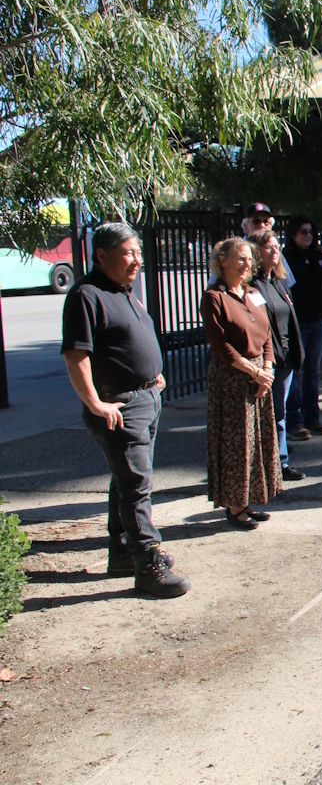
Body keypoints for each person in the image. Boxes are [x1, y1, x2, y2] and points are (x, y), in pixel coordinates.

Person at [61, 222, 190, 597]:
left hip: (145, 400)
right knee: (136, 487)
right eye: (128, 253)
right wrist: (96, 403)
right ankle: (148, 566)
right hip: (119, 406)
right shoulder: (86, 295)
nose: (137, 260)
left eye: (138, 253)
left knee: (125, 481)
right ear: (102, 256)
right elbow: (76, 356)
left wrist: (154, 375)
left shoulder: (124, 291)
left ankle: (121, 553)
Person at [202, 237, 282, 529]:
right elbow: (221, 345)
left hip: (260, 376)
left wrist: (267, 370)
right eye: (240, 258)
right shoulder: (214, 297)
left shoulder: (254, 292)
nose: (247, 264)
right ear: (222, 260)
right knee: (237, 444)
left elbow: (267, 335)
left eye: (249, 258)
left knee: (257, 443)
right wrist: (253, 371)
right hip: (233, 379)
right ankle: (235, 507)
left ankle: (249, 499)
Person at [247, 229, 305, 482]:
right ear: (256, 252)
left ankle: (280, 464)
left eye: (276, 246)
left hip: (286, 358)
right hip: (267, 360)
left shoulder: (279, 283)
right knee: (269, 415)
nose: (274, 251)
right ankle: (269, 466)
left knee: (278, 414)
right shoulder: (251, 285)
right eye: (268, 246)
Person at [282, 216, 322, 441]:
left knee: (313, 372)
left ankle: (312, 418)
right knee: (294, 372)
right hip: (296, 322)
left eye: (310, 231)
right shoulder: (285, 259)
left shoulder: (320, 257)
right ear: (292, 234)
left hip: (318, 320)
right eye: (302, 232)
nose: (307, 235)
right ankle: (294, 420)